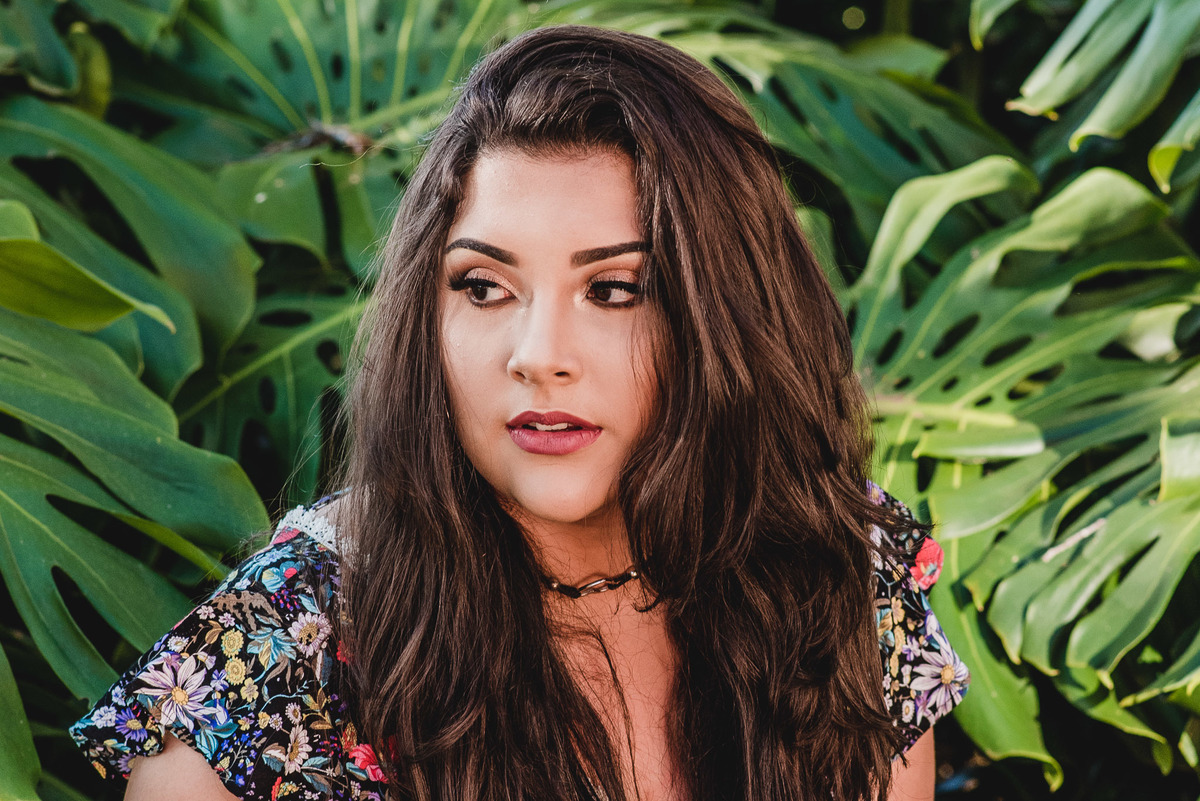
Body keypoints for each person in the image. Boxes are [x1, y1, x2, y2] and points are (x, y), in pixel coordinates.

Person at [71, 24, 968, 801]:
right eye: (483, 286)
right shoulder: (275, 662)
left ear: (725, 315)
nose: (538, 353)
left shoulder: (837, 576)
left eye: (615, 288)